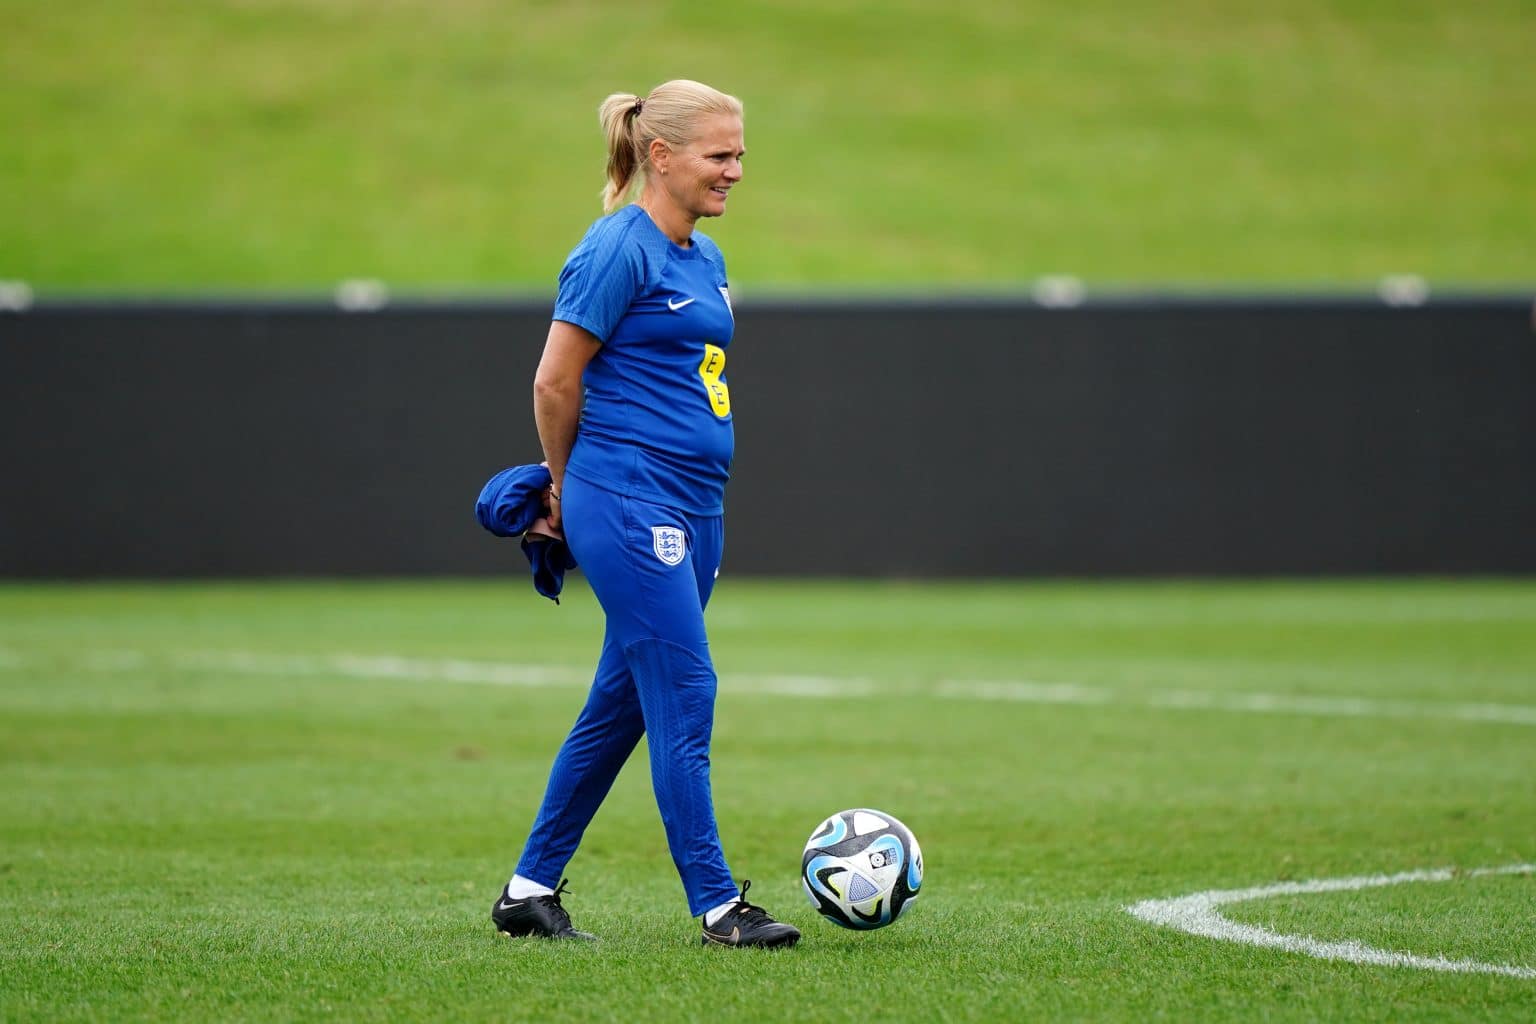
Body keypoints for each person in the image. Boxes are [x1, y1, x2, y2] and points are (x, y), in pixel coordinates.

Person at [489, 80, 800, 949]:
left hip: (697, 509)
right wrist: (559, 485)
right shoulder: (616, 246)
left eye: (740, 154)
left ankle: (528, 890)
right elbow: (555, 379)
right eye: (719, 154)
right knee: (687, 687)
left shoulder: (702, 255)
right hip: (628, 501)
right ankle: (716, 905)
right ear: (658, 156)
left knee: (621, 703)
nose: (736, 170)